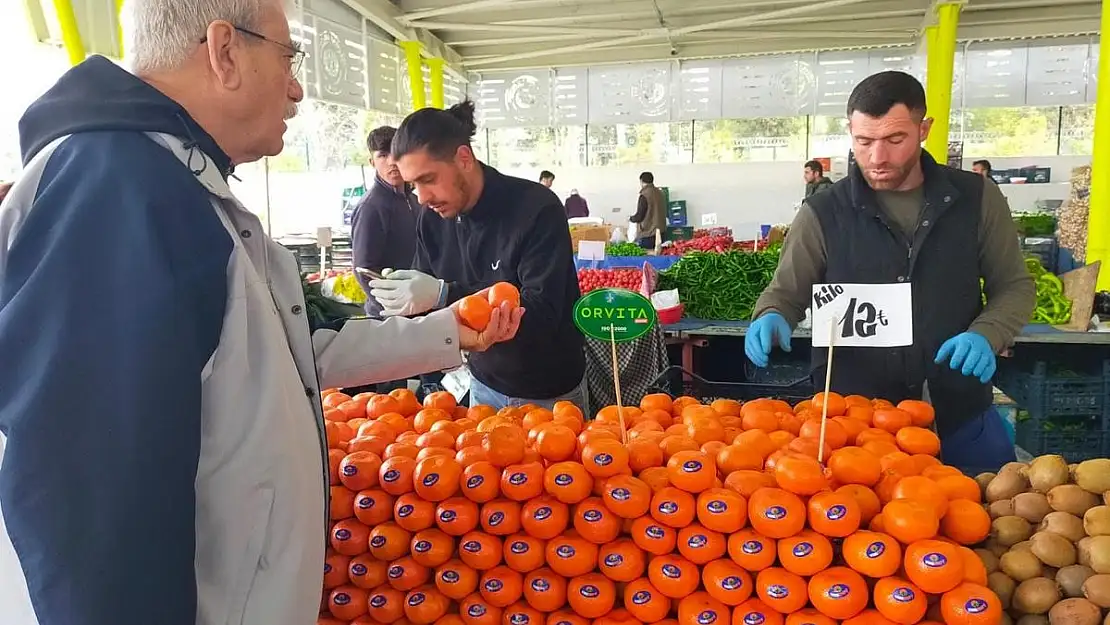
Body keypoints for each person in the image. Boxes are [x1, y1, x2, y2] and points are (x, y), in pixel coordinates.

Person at [0, 1, 523, 623]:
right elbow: (89, 494)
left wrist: (447, 330)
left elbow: (285, 347)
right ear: (224, 52)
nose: (297, 89)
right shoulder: (117, 191)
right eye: (288, 57)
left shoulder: (180, 183)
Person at [744, 71, 1034, 470]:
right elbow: (786, 292)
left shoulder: (976, 198)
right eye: (864, 141)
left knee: (986, 516)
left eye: (895, 140)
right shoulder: (823, 212)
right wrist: (772, 315)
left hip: (958, 409)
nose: (877, 157)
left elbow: (1014, 286)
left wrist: (988, 333)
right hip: (853, 424)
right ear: (851, 132)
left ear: (923, 129)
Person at [368, 102, 587, 412]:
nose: (421, 197)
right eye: (412, 185)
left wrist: (445, 293)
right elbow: (427, 296)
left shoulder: (536, 209)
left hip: (548, 391)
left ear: (464, 158)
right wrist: (403, 302)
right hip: (482, 384)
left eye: (428, 179)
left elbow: (540, 313)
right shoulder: (431, 219)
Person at [351, 125, 421, 317]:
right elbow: (363, 269)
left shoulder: (416, 200)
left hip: (421, 307)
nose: (391, 161)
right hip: (390, 316)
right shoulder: (371, 207)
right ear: (371, 162)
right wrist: (391, 307)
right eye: (382, 155)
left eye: (395, 153)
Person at [630, 171, 666, 250]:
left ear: (641, 181)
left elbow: (639, 216)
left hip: (648, 234)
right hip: (661, 233)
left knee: (647, 258)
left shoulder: (644, 195)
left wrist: (631, 218)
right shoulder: (660, 193)